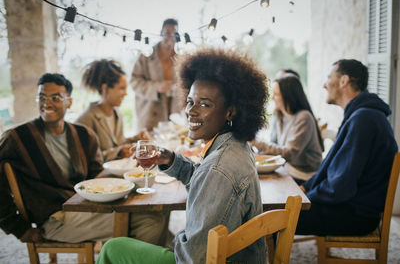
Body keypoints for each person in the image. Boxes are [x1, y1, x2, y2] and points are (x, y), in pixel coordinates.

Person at [97, 48, 269, 264]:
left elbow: (194, 257)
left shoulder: (218, 169)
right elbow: (204, 181)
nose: (191, 111)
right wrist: (171, 160)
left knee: (114, 247)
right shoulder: (235, 147)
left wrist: (175, 241)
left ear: (230, 111)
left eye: (205, 104)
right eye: (190, 101)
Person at [0, 73, 167, 245]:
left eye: (55, 97)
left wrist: (125, 178)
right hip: (56, 219)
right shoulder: (17, 138)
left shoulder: (84, 135)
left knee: (157, 211)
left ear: (69, 102)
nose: (47, 103)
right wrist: (18, 228)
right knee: (151, 221)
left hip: (87, 207)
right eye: (41, 97)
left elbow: (95, 177)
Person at [296, 59, 398, 236]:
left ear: (344, 81)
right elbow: (335, 171)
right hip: (350, 205)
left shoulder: (363, 119)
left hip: (356, 215)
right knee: (287, 196)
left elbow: (340, 186)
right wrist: (305, 188)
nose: (324, 85)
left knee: (275, 216)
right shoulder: (362, 114)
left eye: (329, 78)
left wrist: (306, 199)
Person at [251, 75, 324, 183]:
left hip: (304, 176)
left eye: (276, 94)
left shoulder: (304, 117)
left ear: (288, 96)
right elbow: (278, 147)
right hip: (289, 169)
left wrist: (257, 143)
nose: (272, 98)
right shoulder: (281, 115)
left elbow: (290, 153)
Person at [76, 59, 150, 162]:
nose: (125, 93)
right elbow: (87, 159)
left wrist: (138, 139)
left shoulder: (116, 113)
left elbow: (119, 143)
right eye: (121, 88)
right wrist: (118, 153)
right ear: (105, 88)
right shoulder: (85, 120)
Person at [130, 18, 181, 131]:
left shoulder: (180, 59)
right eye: (167, 33)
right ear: (161, 33)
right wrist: (156, 87)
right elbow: (134, 82)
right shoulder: (146, 56)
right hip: (149, 114)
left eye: (174, 33)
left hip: (173, 115)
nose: (170, 37)